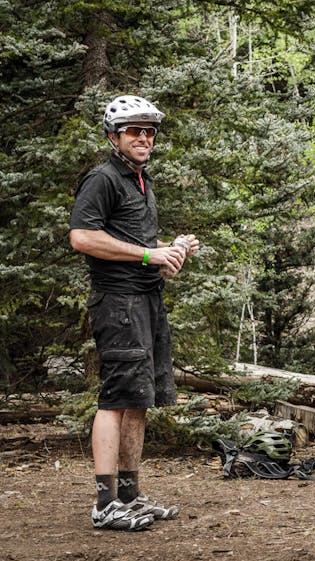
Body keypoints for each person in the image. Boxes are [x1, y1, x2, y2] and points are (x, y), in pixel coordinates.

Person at [70, 95, 200, 530]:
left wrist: (171, 251)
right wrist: (148, 255)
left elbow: (142, 247)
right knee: (114, 399)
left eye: (149, 131)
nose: (144, 138)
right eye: (134, 131)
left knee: (138, 400)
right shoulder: (102, 179)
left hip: (147, 300)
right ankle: (105, 504)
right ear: (114, 137)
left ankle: (130, 493)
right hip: (117, 302)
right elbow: (83, 238)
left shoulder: (141, 180)